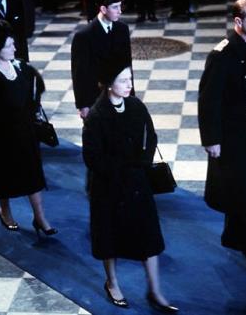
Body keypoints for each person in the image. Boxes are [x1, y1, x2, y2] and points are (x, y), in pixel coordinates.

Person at [82, 62, 178, 313]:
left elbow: (151, 136)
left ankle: (155, 290)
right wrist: (122, 167)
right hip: (109, 187)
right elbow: (92, 157)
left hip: (137, 182)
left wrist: (141, 162)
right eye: (124, 80)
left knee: (149, 236)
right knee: (109, 238)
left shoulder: (136, 106)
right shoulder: (97, 115)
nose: (129, 85)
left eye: (130, 79)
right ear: (109, 84)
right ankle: (112, 283)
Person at [198, 0, 246, 272]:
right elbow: (209, 100)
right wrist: (211, 140)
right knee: (242, 192)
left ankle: (231, 235)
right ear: (238, 22)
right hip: (230, 136)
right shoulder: (222, 54)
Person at [0, 19, 56, 235]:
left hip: (24, 131)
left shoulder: (21, 67)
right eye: (9, 45)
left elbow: (35, 93)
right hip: (0, 134)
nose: (14, 48)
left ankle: (40, 217)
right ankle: (4, 210)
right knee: (3, 175)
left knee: (33, 174)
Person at [71, 0, 132, 121]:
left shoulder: (122, 29)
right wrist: (83, 105)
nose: (120, 11)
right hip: (95, 99)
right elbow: (80, 74)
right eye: (115, 7)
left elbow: (127, 65)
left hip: (118, 95)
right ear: (103, 9)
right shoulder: (84, 36)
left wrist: (130, 96)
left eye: (120, 6)